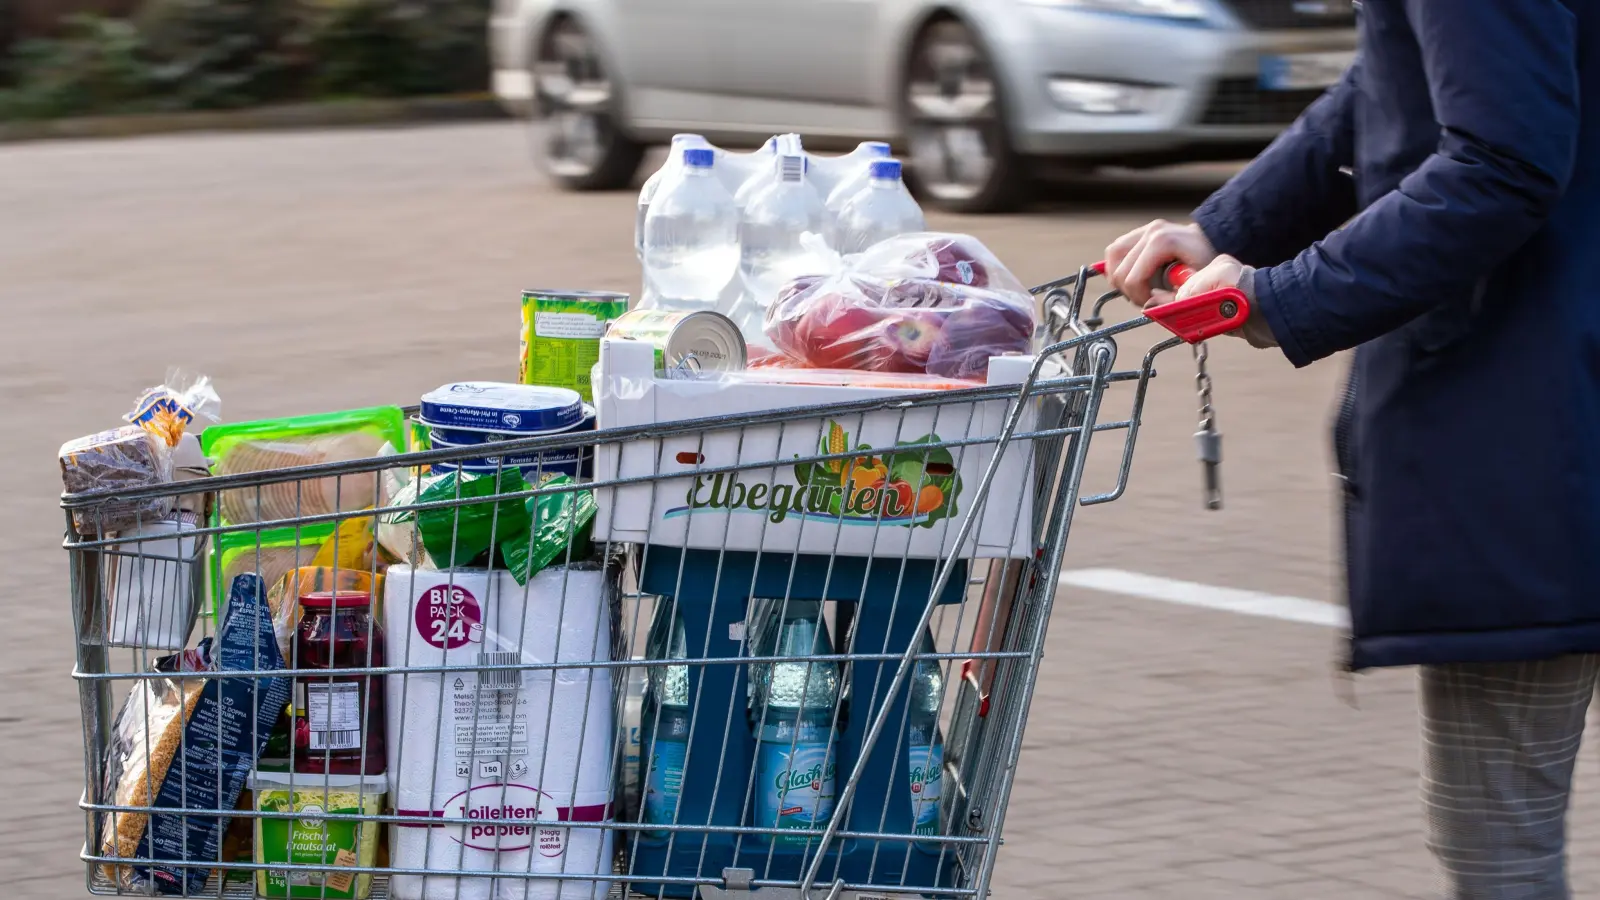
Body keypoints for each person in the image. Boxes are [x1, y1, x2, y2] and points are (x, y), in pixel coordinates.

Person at [1102, 2, 1600, 897]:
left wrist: (1285, 296)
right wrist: (1231, 228)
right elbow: (1394, 74)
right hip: (1551, 393)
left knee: (1501, 846)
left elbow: (1499, 161)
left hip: (1531, 401)